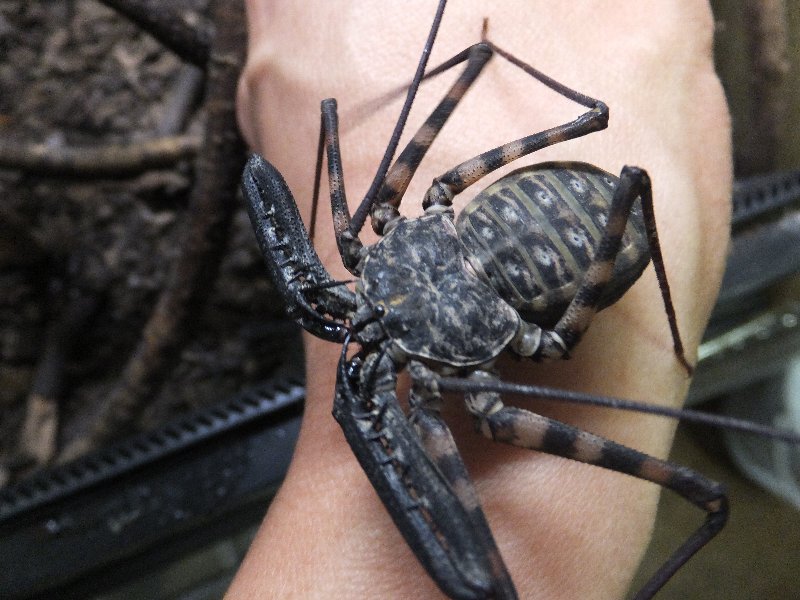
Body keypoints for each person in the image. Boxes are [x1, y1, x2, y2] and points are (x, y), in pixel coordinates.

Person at [229, 1, 731, 598]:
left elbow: (306, 149)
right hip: (522, 216)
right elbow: (322, 126)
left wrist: (674, 341)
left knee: (700, 492)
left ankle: (673, 331)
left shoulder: (471, 391)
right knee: (459, 111)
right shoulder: (400, 214)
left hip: (592, 235)